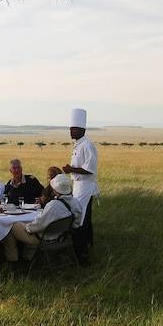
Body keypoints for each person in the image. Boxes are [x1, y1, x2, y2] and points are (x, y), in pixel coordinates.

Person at [2, 175, 83, 265]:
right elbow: (76, 224)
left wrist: (27, 227)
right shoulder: (76, 203)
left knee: (9, 226)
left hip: (45, 238)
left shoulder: (53, 205)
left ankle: (13, 261)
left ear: (55, 190)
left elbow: (36, 227)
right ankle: (27, 256)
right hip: (63, 236)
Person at [62, 108, 98, 257]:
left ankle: (82, 247)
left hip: (85, 186)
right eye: (70, 129)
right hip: (78, 185)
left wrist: (71, 169)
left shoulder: (87, 145)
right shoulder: (78, 144)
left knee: (80, 217)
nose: (71, 132)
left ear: (82, 129)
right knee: (84, 215)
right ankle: (87, 243)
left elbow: (90, 169)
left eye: (74, 129)